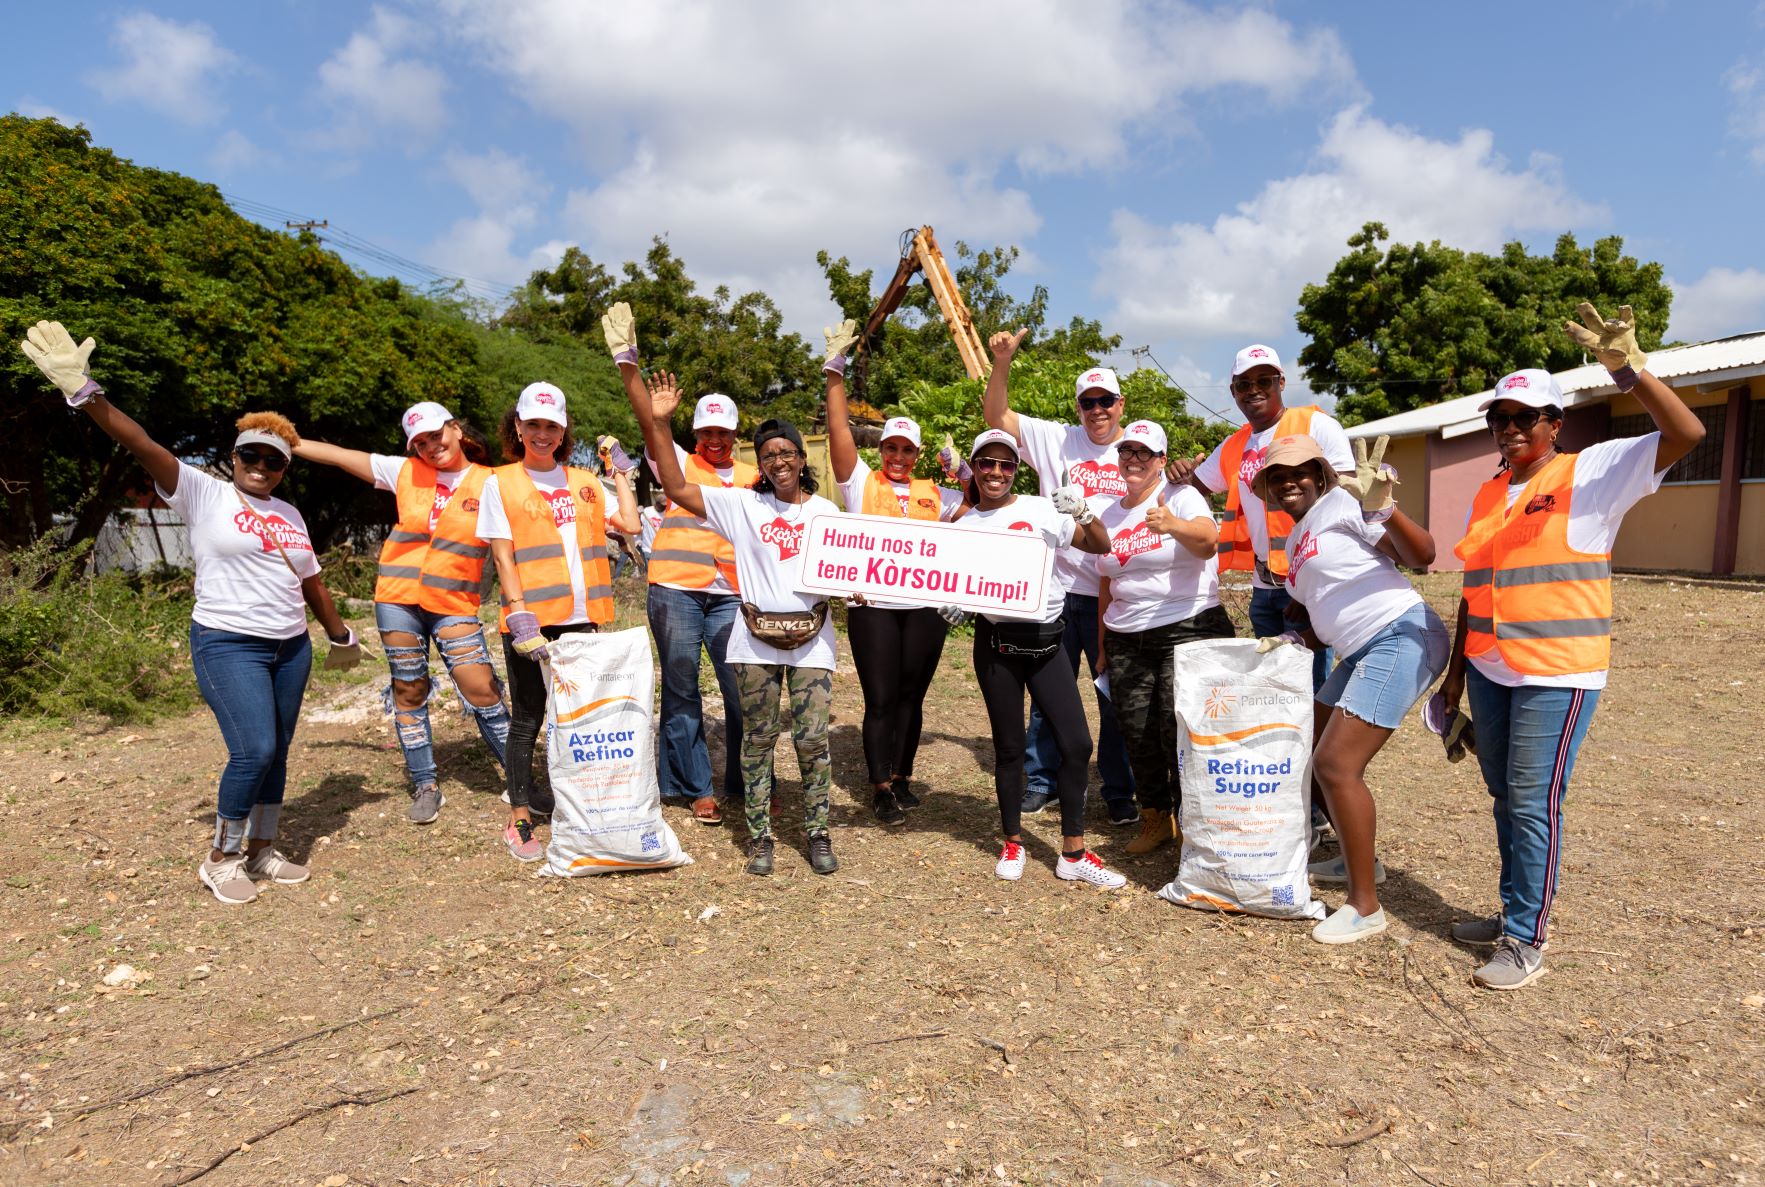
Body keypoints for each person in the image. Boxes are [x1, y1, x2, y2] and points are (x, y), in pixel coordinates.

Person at [19, 321, 360, 905]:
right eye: (250, 455)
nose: (260, 465)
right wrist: (88, 393)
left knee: (277, 749)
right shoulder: (203, 491)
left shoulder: (291, 513)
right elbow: (141, 442)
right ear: (233, 458)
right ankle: (222, 856)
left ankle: (261, 850)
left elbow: (311, 578)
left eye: (272, 461)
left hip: (290, 646)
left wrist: (339, 634)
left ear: (284, 469)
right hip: (228, 643)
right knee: (253, 748)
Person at [1440, 304, 1705, 989]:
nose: (1508, 428)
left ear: (1554, 423)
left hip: (1556, 672)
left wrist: (1628, 369)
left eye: (1524, 417)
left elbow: (1685, 431)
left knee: (1532, 799)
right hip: (1491, 668)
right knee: (1503, 793)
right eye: (1498, 417)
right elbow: (1473, 588)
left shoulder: (1591, 474)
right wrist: (1452, 679)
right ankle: (1509, 910)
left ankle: (1525, 938)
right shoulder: (1490, 490)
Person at [609, 304, 842, 877]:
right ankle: (759, 836)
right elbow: (674, 483)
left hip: (813, 642)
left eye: (788, 452)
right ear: (756, 463)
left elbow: (854, 568)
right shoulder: (741, 503)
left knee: (813, 741)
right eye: (770, 456)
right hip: (752, 637)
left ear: (800, 458)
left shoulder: (828, 511)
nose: (780, 461)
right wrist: (659, 421)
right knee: (756, 738)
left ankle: (817, 832)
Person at [1252, 435, 1445, 944]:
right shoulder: (1294, 542)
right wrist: (1296, 635)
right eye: (1277, 476)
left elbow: (1422, 554)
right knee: (1311, 752)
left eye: (1299, 471)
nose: (1288, 481)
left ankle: (1365, 907)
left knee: (1337, 764)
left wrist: (1384, 508)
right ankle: (1363, 861)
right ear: (1268, 489)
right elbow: (1329, 607)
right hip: (1357, 648)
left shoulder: (1343, 503)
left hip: (1400, 634)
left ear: (1318, 475)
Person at [292, 403, 510, 825]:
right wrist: (288, 441)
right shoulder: (404, 471)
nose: (431, 446)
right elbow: (339, 455)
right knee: (408, 690)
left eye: (436, 435)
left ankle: (518, 776)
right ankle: (425, 784)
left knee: (480, 686)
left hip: (453, 602)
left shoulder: (495, 482)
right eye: (421, 442)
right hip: (396, 599)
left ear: (456, 428)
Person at [955, 426, 1128, 889]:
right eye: (986, 463)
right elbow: (942, 579)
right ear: (974, 468)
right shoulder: (964, 525)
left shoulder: (1039, 509)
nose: (996, 472)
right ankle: (1013, 841)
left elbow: (1100, 545)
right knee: (1010, 748)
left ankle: (1073, 852)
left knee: (1076, 745)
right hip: (997, 646)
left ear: (1016, 469)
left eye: (1006, 463)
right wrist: (948, 601)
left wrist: (1085, 511)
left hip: (1048, 640)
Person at [476, 381, 639, 862]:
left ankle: (577, 804)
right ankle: (520, 817)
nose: (542, 434)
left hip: (581, 621)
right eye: (533, 425)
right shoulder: (500, 482)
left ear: (563, 430)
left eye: (552, 426)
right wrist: (519, 613)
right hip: (531, 621)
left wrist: (622, 473)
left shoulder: (586, 483)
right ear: (518, 427)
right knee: (529, 717)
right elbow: (503, 554)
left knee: (575, 717)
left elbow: (629, 524)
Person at [981, 329, 1136, 825]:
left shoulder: (1135, 451)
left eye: (1105, 401)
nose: (1096, 410)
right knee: (1048, 695)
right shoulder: (1056, 440)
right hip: (1053, 591)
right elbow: (996, 418)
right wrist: (1002, 362)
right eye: (1087, 402)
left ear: (1120, 404)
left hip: (1114, 593)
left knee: (1112, 694)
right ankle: (1042, 781)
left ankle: (1118, 790)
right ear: (1077, 407)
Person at [822, 318, 967, 825]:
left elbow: (980, 504)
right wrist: (834, 371)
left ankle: (903, 778)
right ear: (880, 450)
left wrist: (963, 470)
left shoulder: (937, 494)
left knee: (913, 695)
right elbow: (839, 430)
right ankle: (879, 785)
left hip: (924, 608)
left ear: (919, 454)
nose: (899, 457)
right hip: (874, 608)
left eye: (907, 449)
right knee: (880, 698)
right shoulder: (860, 483)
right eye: (891, 448)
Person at [1170, 344, 1354, 690]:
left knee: (1308, 688)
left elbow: (1343, 498)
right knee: (1272, 689)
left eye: (1264, 380)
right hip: (1263, 586)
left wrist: (1306, 586)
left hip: (1304, 584)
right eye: (1244, 383)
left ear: (1281, 382)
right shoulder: (1233, 445)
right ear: (1233, 392)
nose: (1254, 389)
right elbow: (1193, 488)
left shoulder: (1316, 424)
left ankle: (1315, 746)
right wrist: (1178, 473)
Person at [1094, 420, 1234, 856]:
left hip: (1187, 627)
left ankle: (1199, 826)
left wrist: (1173, 524)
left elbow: (1210, 542)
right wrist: (1101, 645)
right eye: (1126, 451)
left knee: (1181, 730)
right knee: (1137, 731)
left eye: (1143, 453)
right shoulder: (1108, 513)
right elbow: (1105, 582)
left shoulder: (1179, 495)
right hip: (1126, 637)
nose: (1133, 459)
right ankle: (1157, 820)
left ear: (1159, 460)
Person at [641, 373, 757, 827]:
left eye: (722, 432)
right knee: (681, 687)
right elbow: (654, 435)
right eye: (706, 432)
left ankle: (747, 782)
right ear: (695, 434)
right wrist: (659, 418)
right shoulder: (678, 463)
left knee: (743, 689)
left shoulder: (754, 476)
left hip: (732, 593)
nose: (714, 440)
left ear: (734, 434)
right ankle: (694, 787)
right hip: (676, 588)